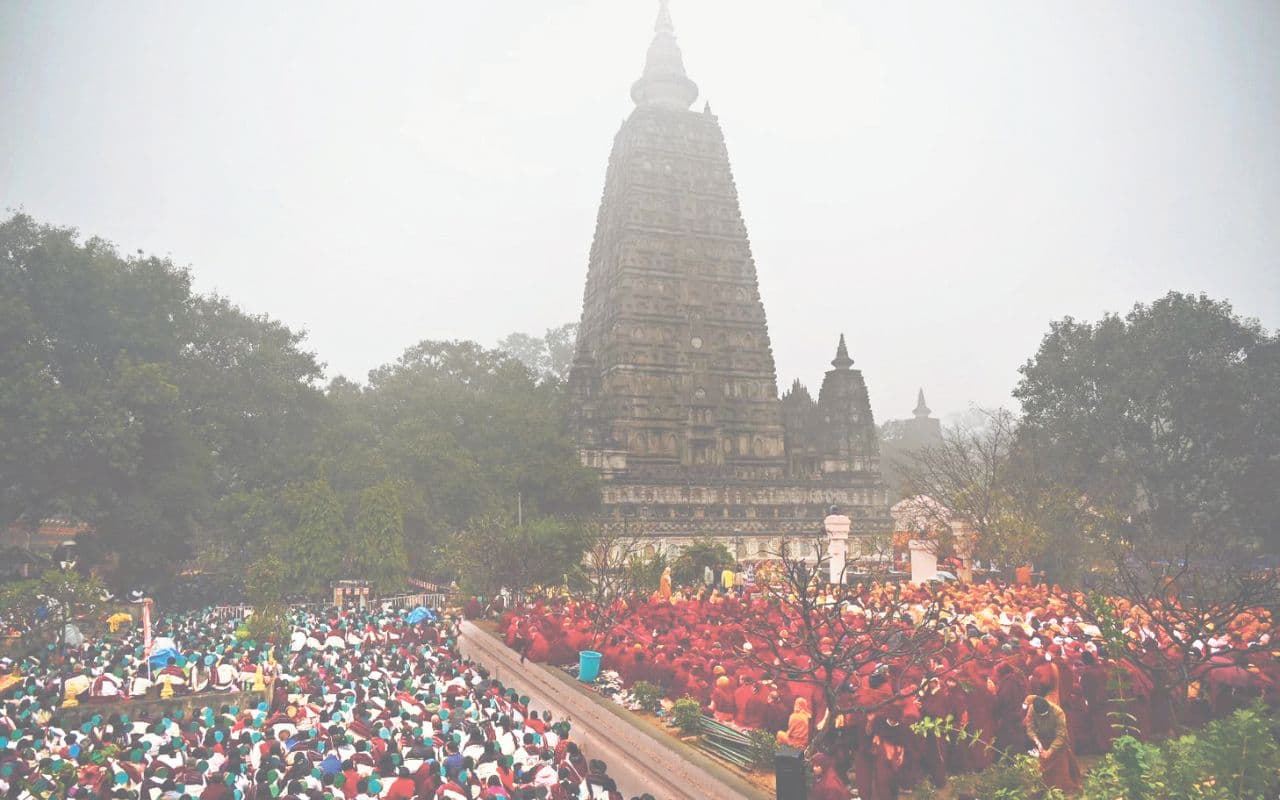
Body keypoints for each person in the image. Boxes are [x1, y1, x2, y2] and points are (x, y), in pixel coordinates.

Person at [1024, 694, 1082, 793]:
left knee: (1061, 772)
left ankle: (1064, 787)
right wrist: (1037, 741)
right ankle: (1046, 788)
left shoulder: (1058, 712)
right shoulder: (1032, 709)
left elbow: (1060, 735)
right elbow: (1030, 728)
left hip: (1058, 742)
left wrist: (1050, 751)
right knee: (1044, 770)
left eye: (1045, 715)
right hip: (1043, 739)